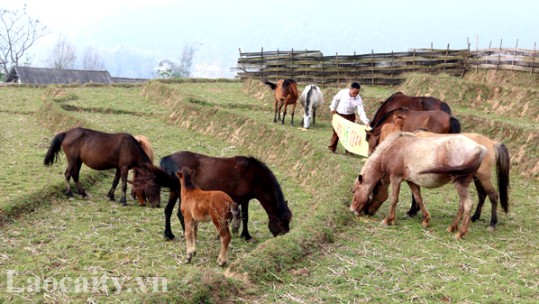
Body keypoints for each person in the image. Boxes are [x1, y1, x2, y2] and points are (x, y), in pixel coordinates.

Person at [328, 82, 370, 153]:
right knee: (336, 131)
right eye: (354, 92)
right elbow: (335, 99)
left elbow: (361, 111)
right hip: (339, 115)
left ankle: (349, 150)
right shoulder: (342, 92)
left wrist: (366, 121)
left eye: (357, 93)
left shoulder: (358, 99)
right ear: (350, 89)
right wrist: (332, 108)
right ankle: (332, 148)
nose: (355, 95)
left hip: (350, 116)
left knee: (350, 133)